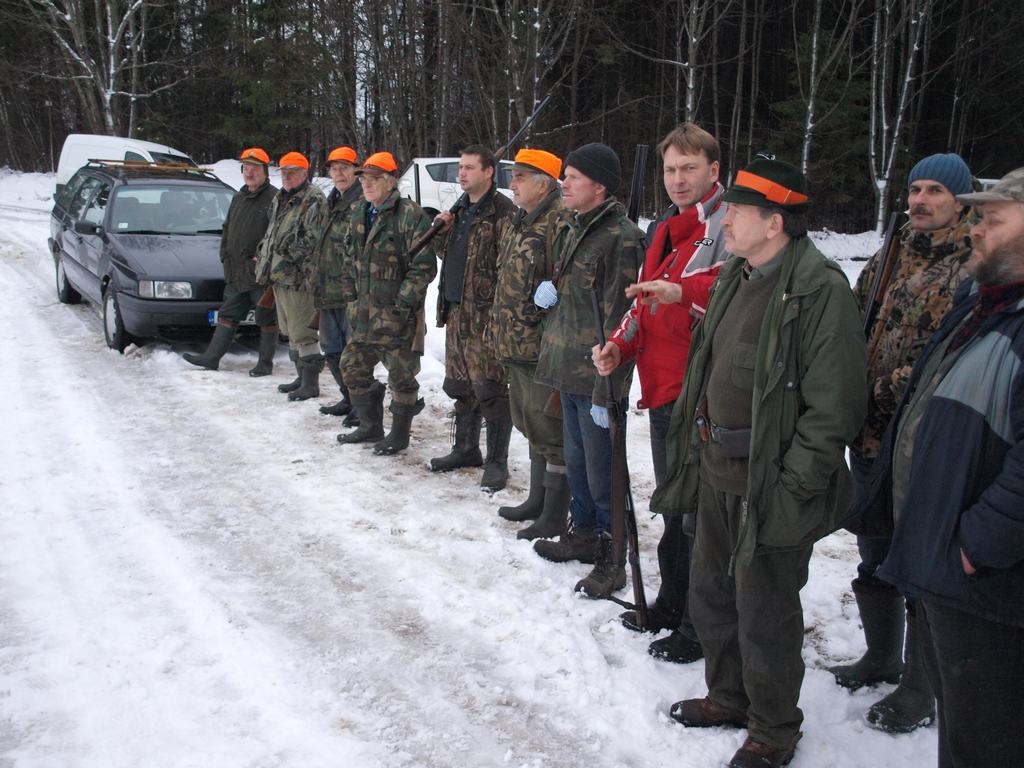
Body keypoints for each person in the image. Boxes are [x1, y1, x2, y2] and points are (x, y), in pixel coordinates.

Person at [651, 157, 866, 768]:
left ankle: (773, 729)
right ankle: (729, 696)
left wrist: (797, 484)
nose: (726, 218)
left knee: (766, 608)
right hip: (718, 469)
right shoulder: (735, 275)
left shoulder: (818, 290)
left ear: (774, 223)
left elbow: (836, 407)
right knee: (712, 593)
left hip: (771, 482)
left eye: (738, 211)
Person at [874, 167, 1024, 767]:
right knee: (963, 732)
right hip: (954, 565)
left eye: (992, 218)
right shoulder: (986, 305)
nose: (977, 230)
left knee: (986, 739)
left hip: (989, 584)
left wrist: (975, 546)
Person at [830, 153, 974, 733]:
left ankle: (921, 685)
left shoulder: (971, 265)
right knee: (875, 548)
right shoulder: (892, 253)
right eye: (915, 188)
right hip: (868, 435)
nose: (920, 199)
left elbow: (943, 360)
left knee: (920, 562)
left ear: (961, 201)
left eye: (936, 190)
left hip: (920, 442)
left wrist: (875, 393)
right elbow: (853, 321)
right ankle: (882, 655)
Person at [592, 123, 727, 663]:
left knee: (698, 515)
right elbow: (642, 302)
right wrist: (618, 346)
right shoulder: (666, 226)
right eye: (671, 169)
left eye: (689, 168)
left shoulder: (727, 222)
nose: (678, 179)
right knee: (675, 507)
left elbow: (736, 282)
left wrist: (681, 291)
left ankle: (698, 624)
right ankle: (672, 603)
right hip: (664, 391)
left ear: (714, 171)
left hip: (703, 393)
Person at [532, 142, 644, 598]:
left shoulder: (623, 237)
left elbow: (625, 319)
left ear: (600, 186)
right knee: (578, 464)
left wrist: (610, 390)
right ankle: (582, 535)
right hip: (569, 368)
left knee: (604, 473)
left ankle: (613, 557)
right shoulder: (573, 227)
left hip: (599, 377)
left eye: (574, 177)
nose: (565, 183)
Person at [488, 148, 571, 539]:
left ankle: (554, 513)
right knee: (531, 425)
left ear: (545, 182)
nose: (512, 183)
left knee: (550, 433)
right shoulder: (523, 219)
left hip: (540, 348)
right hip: (515, 346)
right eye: (513, 175)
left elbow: (567, 281)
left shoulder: (559, 221)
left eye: (521, 176)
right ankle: (537, 501)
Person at [337, 151, 437, 455]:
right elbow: (347, 256)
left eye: (374, 178)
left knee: (402, 378)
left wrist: (401, 306)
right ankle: (370, 426)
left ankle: (399, 435)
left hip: (396, 318)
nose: (367, 184)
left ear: (390, 181)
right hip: (363, 315)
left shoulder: (409, 215)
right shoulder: (358, 212)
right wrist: (351, 295)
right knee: (352, 367)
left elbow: (424, 267)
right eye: (364, 178)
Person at [429, 145, 516, 490]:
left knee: (491, 391)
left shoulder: (501, 212)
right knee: (460, 387)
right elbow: (448, 255)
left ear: (488, 171)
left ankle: (497, 462)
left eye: (469, 168)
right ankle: (465, 448)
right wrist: (443, 230)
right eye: (460, 168)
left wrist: (498, 318)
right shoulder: (460, 210)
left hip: (484, 318)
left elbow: (508, 268)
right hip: (455, 311)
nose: (462, 174)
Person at [183, 147, 278, 375]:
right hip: (236, 272)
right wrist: (225, 254)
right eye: (246, 168)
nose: (250, 172)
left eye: (255, 168)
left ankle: (265, 364)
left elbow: (277, 235)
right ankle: (211, 358)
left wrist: (263, 261)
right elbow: (227, 228)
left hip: (259, 275)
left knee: (266, 318)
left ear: (265, 171)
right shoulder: (239, 196)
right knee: (228, 315)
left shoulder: (275, 198)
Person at [254, 150, 327, 401]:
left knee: (303, 331)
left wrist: (284, 253)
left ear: (304, 173)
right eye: (284, 172)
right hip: (279, 276)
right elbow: (274, 231)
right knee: (290, 331)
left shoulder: (313, 199)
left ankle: (311, 383)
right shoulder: (281, 198)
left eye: (292, 172)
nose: (287, 176)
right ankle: (300, 377)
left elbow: (312, 240)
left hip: (299, 278)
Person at [316, 146, 363, 427]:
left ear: (356, 170)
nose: (339, 173)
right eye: (334, 168)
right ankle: (347, 397)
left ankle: (361, 405)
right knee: (331, 350)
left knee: (353, 354)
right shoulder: (331, 200)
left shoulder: (360, 201)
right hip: (326, 289)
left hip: (349, 292)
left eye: (344, 167)